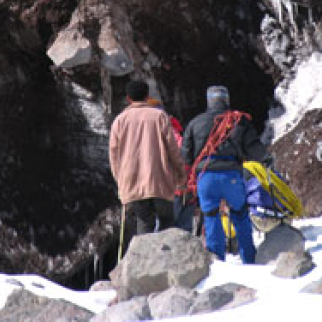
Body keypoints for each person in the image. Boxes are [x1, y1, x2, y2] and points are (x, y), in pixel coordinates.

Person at [183, 85, 268, 264]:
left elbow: (186, 155)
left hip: (205, 177)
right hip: (231, 175)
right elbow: (254, 149)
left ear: (209, 101)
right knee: (240, 215)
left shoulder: (195, 123)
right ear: (226, 100)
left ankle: (217, 262)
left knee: (211, 217)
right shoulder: (238, 120)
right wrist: (266, 160)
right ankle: (249, 259)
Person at [109, 80, 186, 248]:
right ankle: (166, 261)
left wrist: (120, 180)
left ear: (128, 99)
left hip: (133, 181)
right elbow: (173, 150)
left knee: (144, 222)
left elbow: (114, 155)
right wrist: (181, 175)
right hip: (160, 181)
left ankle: (146, 262)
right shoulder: (159, 117)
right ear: (147, 96)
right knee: (167, 221)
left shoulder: (120, 121)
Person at [147, 97, 195, 233]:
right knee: (183, 232)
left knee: (164, 232)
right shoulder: (175, 130)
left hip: (171, 189)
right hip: (185, 188)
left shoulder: (163, 132)